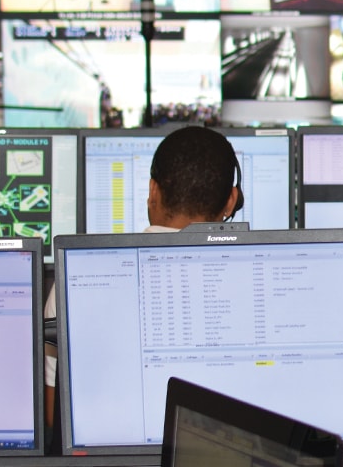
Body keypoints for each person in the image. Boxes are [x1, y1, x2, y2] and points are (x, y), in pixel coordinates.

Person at [44, 126, 241, 427]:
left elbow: (54, 419)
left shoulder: (71, 279)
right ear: (231, 201)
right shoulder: (257, 279)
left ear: (153, 192)